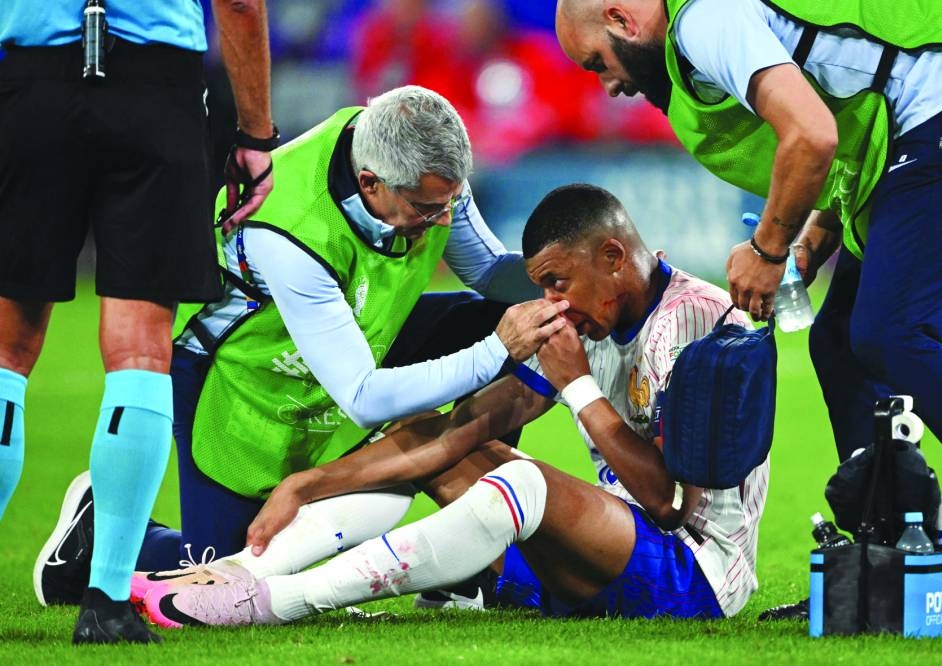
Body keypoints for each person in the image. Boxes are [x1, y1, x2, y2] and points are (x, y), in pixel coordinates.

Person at [132, 184, 769, 626]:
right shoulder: (595, 320)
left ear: (611, 256)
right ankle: (240, 574)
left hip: (695, 573)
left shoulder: (696, 322)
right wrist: (308, 483)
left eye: (557, 282)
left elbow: (667, 502)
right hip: (604, 552)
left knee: (520, 480)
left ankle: (279, 601)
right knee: (428, 437)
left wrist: (577, 386)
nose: (551, 302)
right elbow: (457, 434)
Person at [35, 84, 567, 609]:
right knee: (228, 568)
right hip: (243, 380)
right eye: (428, 209)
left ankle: (466, 568)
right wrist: (498, 350)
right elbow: (363, 395)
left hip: (362, 339)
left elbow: (488, 272)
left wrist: (574, 278)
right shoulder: (290, 228)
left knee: (502, 320)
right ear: (370, 183)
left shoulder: (416, 164)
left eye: (452, 201)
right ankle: (98, 530)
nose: (443, 221)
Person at [553, 0, 942, 620]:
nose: (610, 85)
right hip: (921, 109)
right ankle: (883, 560)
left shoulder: (704, 20)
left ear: (622, 19)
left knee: (892, 335)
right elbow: (851, 123)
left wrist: (768, 248)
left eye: (597, 62)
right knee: (841, 341)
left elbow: (812, 135)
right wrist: (811, 238)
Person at [0, 0, 275, 645]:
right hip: (156, 92)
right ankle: (107, 602)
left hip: (30, 88)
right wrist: (256, 132)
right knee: (141, 354)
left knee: (6, 353)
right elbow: (239, 4)